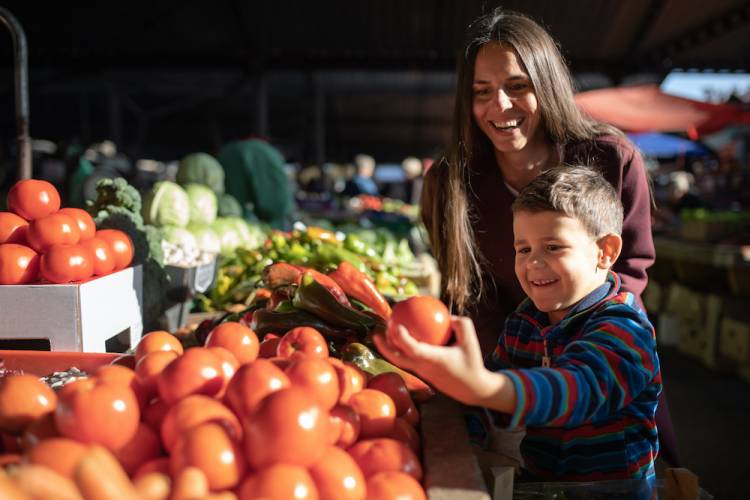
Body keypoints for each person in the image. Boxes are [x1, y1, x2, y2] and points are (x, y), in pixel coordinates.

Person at [419, 8, 679, 466]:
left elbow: (632, 271)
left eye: (518, 86)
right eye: (481, 92)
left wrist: (559, 350)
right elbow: (464, 297)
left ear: (547, 82)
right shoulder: (449, 181)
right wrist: (480, 404)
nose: (499, 106)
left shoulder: (611, 157)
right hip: (502, 387)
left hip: (602, 392)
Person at [377, 166, 662, 481]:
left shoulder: (624, 328)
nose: (533, 263)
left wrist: (485, 388)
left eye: (553, 247)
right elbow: (488, 399)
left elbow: (577, 390)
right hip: (542, 484)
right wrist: (467, 436)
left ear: (605, 251)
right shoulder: (524, 322)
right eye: (523, 249)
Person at [217, 137, 294, 229]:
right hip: (267, 223)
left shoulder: (227, 152)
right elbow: (276, 205)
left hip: (234, 221)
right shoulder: (267, 152)